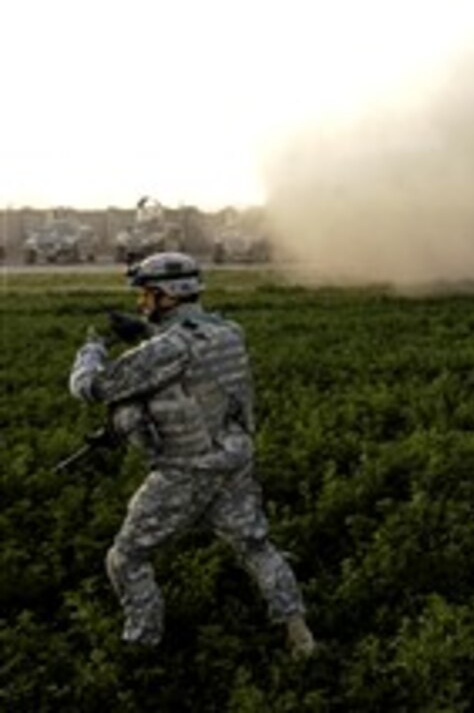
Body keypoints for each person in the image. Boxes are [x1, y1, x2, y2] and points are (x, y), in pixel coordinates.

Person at [69, 252, 315, 657]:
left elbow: (92, 388)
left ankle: (141, 644)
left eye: (146, 296)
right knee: (256, 547)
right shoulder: (229, 331)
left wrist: (91, 350)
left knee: (126, 557)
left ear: (166, 296)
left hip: (185, 468)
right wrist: (147, 330)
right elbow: (189, 353)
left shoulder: (167, 348)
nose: (140, 303)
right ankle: (299, 634)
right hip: (233, 458)